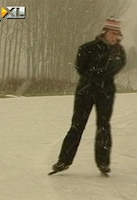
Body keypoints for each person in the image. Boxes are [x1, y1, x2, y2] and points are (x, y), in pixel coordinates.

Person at [51, 17, 126, 175]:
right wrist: (93, 78)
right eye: (112, 33)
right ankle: (63, 161)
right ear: (104, 32)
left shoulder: (119, 52)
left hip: (106, 92)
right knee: (77, 126)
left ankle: (103, 163)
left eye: (117, 34)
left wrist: (102, 79)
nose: (115, 37)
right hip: (85, 91)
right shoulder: (87, 48)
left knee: (103, 126)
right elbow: (80, 67)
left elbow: (117, 68)